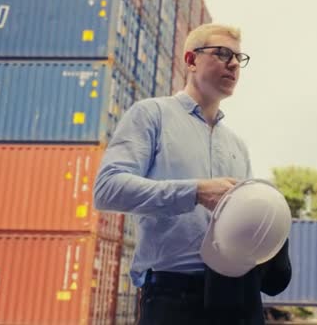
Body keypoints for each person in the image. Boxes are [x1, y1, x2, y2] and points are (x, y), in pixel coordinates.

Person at [93, 23, 291, 324]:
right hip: (172, 297)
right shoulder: (151, 115)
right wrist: (196, 191)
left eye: (239, 58)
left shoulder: (237, 145)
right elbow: (107, 189)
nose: (234, 64)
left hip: (236, 297)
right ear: (191, 60)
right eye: (223, 53)